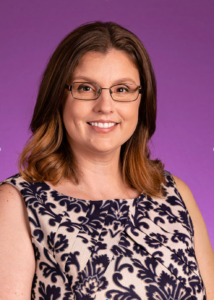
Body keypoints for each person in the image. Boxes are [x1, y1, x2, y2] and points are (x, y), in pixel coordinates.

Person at [0, 21, 213, 300]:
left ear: (141, 100)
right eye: (86, 88)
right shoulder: (16, 204)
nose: (105, 106)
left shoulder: (174, 193)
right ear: (58, 97)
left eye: (122, 89)